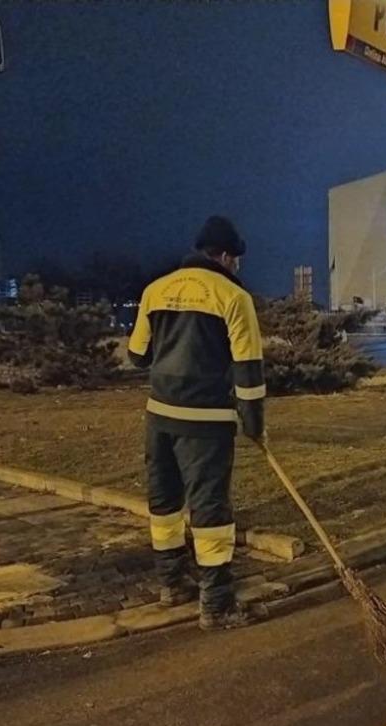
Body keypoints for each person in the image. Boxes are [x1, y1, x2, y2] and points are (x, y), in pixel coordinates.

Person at [128, 215, 266, 629]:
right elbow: (248, 371)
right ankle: (217, 605)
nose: (237, 266)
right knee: (210, 510)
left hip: (159, 416)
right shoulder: (233, 297)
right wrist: (254, 424)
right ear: (224, 256)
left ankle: (171, 584)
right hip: (206, 422)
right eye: (235, 259)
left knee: (165, 504)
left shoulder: (156, 290)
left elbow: (138, 355)